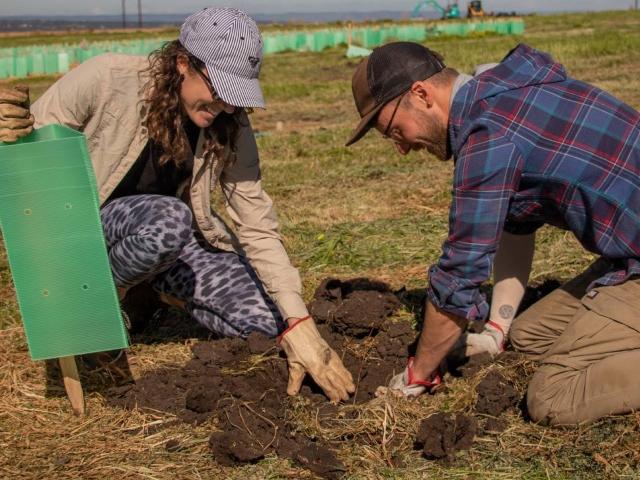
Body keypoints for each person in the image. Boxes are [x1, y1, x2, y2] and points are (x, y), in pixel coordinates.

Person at [0, 7, 354, 403]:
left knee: (264, 321)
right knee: (169, 219)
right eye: (218, 90)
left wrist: (298, 322)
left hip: (174, 241)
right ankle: (104, 301)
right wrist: (9, 131)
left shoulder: (230, 124)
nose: (225, 107)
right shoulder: (106, 78)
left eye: (235, 97)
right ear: (183, 63)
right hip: (96, 229)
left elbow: (255, 222)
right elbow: (30, 149)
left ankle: (149, 292)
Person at [346, 41, 640, 426]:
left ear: (421, 94)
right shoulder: (507, 95)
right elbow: (515, 225)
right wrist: (496, 330)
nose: (401, 148)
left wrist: (418, 375)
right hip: (628, 254)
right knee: (530, 336)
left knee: (553, 396)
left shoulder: (490, 137)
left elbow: (460, 273)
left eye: (394, 130)